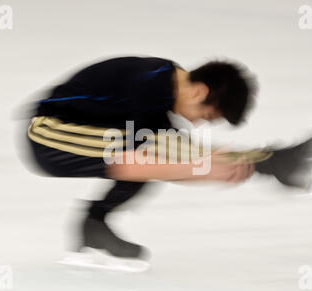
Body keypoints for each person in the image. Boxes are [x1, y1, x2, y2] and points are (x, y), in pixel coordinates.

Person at [23, 55, 260, 261]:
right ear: (199, 92)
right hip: (49, 134)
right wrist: (206, 170)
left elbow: (172, 156)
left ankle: (94, 224)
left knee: (166, 148)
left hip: (83, 130)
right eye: (205, 115)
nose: (197, 123)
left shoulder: (161, 88)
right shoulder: (149, 84)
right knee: (154, 153)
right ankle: (94, 221)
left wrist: (215, 164)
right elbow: (131, 165)